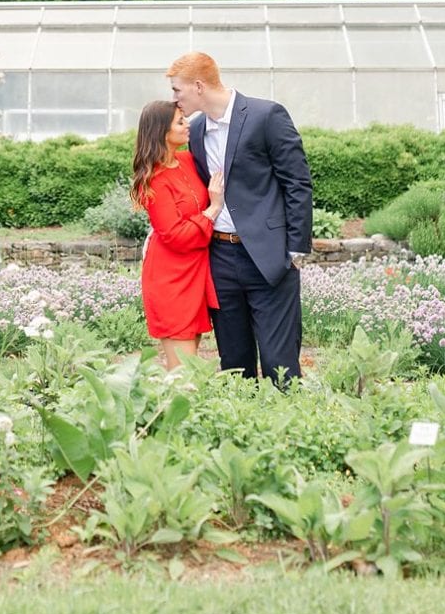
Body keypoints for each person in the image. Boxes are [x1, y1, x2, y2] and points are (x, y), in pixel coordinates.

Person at [167, 51, 314, 385]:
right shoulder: (198, 129)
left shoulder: (266, 115)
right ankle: (242, 431)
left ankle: (288, 431)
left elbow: (298, 183)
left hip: (269, 257)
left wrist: (294, 250)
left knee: (280, 364)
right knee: (234, 363)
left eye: (178, 90)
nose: (174, 99)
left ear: (199, 86)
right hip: (219, 258)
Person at [130, 100, 224, 370]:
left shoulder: (187, 161)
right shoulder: (155, 180)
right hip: (171, 278)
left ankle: (181, 412)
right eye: (180, 121)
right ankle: (173, 412)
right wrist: (213, 209)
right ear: (162, 132)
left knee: (189, 360)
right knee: (184, 370)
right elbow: (175, 235)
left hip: (195, 271)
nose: (188, 125)